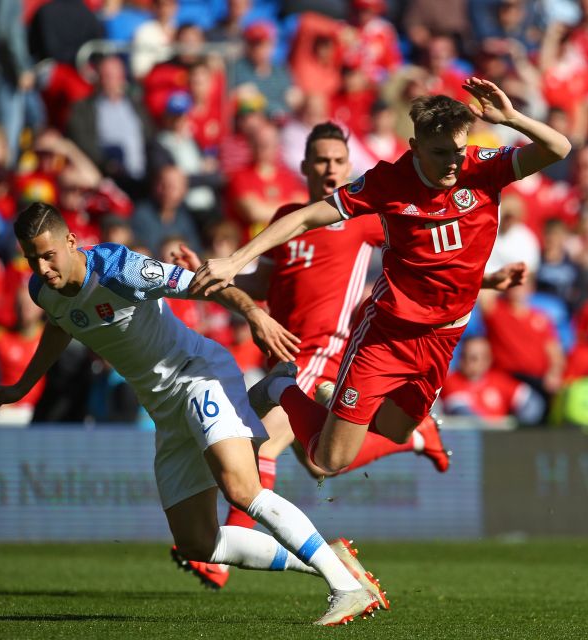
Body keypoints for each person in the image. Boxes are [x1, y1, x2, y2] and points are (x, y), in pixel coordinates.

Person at [0, 203, 386, 626]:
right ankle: (327, 556)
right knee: (197, 543)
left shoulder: (119, 269)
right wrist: (19, 387)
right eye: (30, 258)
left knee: (241, 489)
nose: (41, 267)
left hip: (196, 374)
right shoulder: (42, 291)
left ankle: (347, 587)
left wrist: (253, 312)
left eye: (48, 255)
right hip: (165, 410)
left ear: (71, 242)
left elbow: (204, 284)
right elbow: (61, 325)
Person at [190, 77, 570, 478]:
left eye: (458, 151)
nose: (453, 163)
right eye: (440, 153)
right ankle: (282, 388)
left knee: (394, 429)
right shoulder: (388, 183)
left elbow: (559, 148)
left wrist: (512, 118)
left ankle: (344, 406)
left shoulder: (482, 168)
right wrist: (234, 261)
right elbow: (305, 217)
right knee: (327, 461)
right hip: (389, 334)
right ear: (415, 147)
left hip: (445, 336)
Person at [171, 122, 451, 589]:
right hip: (282, 353)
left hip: (324, 351)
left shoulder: (365, 218)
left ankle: (221, 558)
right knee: (316, 460)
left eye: (338, 161)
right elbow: (260, 285)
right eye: (321, 160)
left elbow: (420, 258)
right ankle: (415, 435)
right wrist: (201, 273)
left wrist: (484, 281)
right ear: (303, 166)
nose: (330, 168)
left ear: (349, 166)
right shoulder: (288, 214)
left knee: (262, 443)